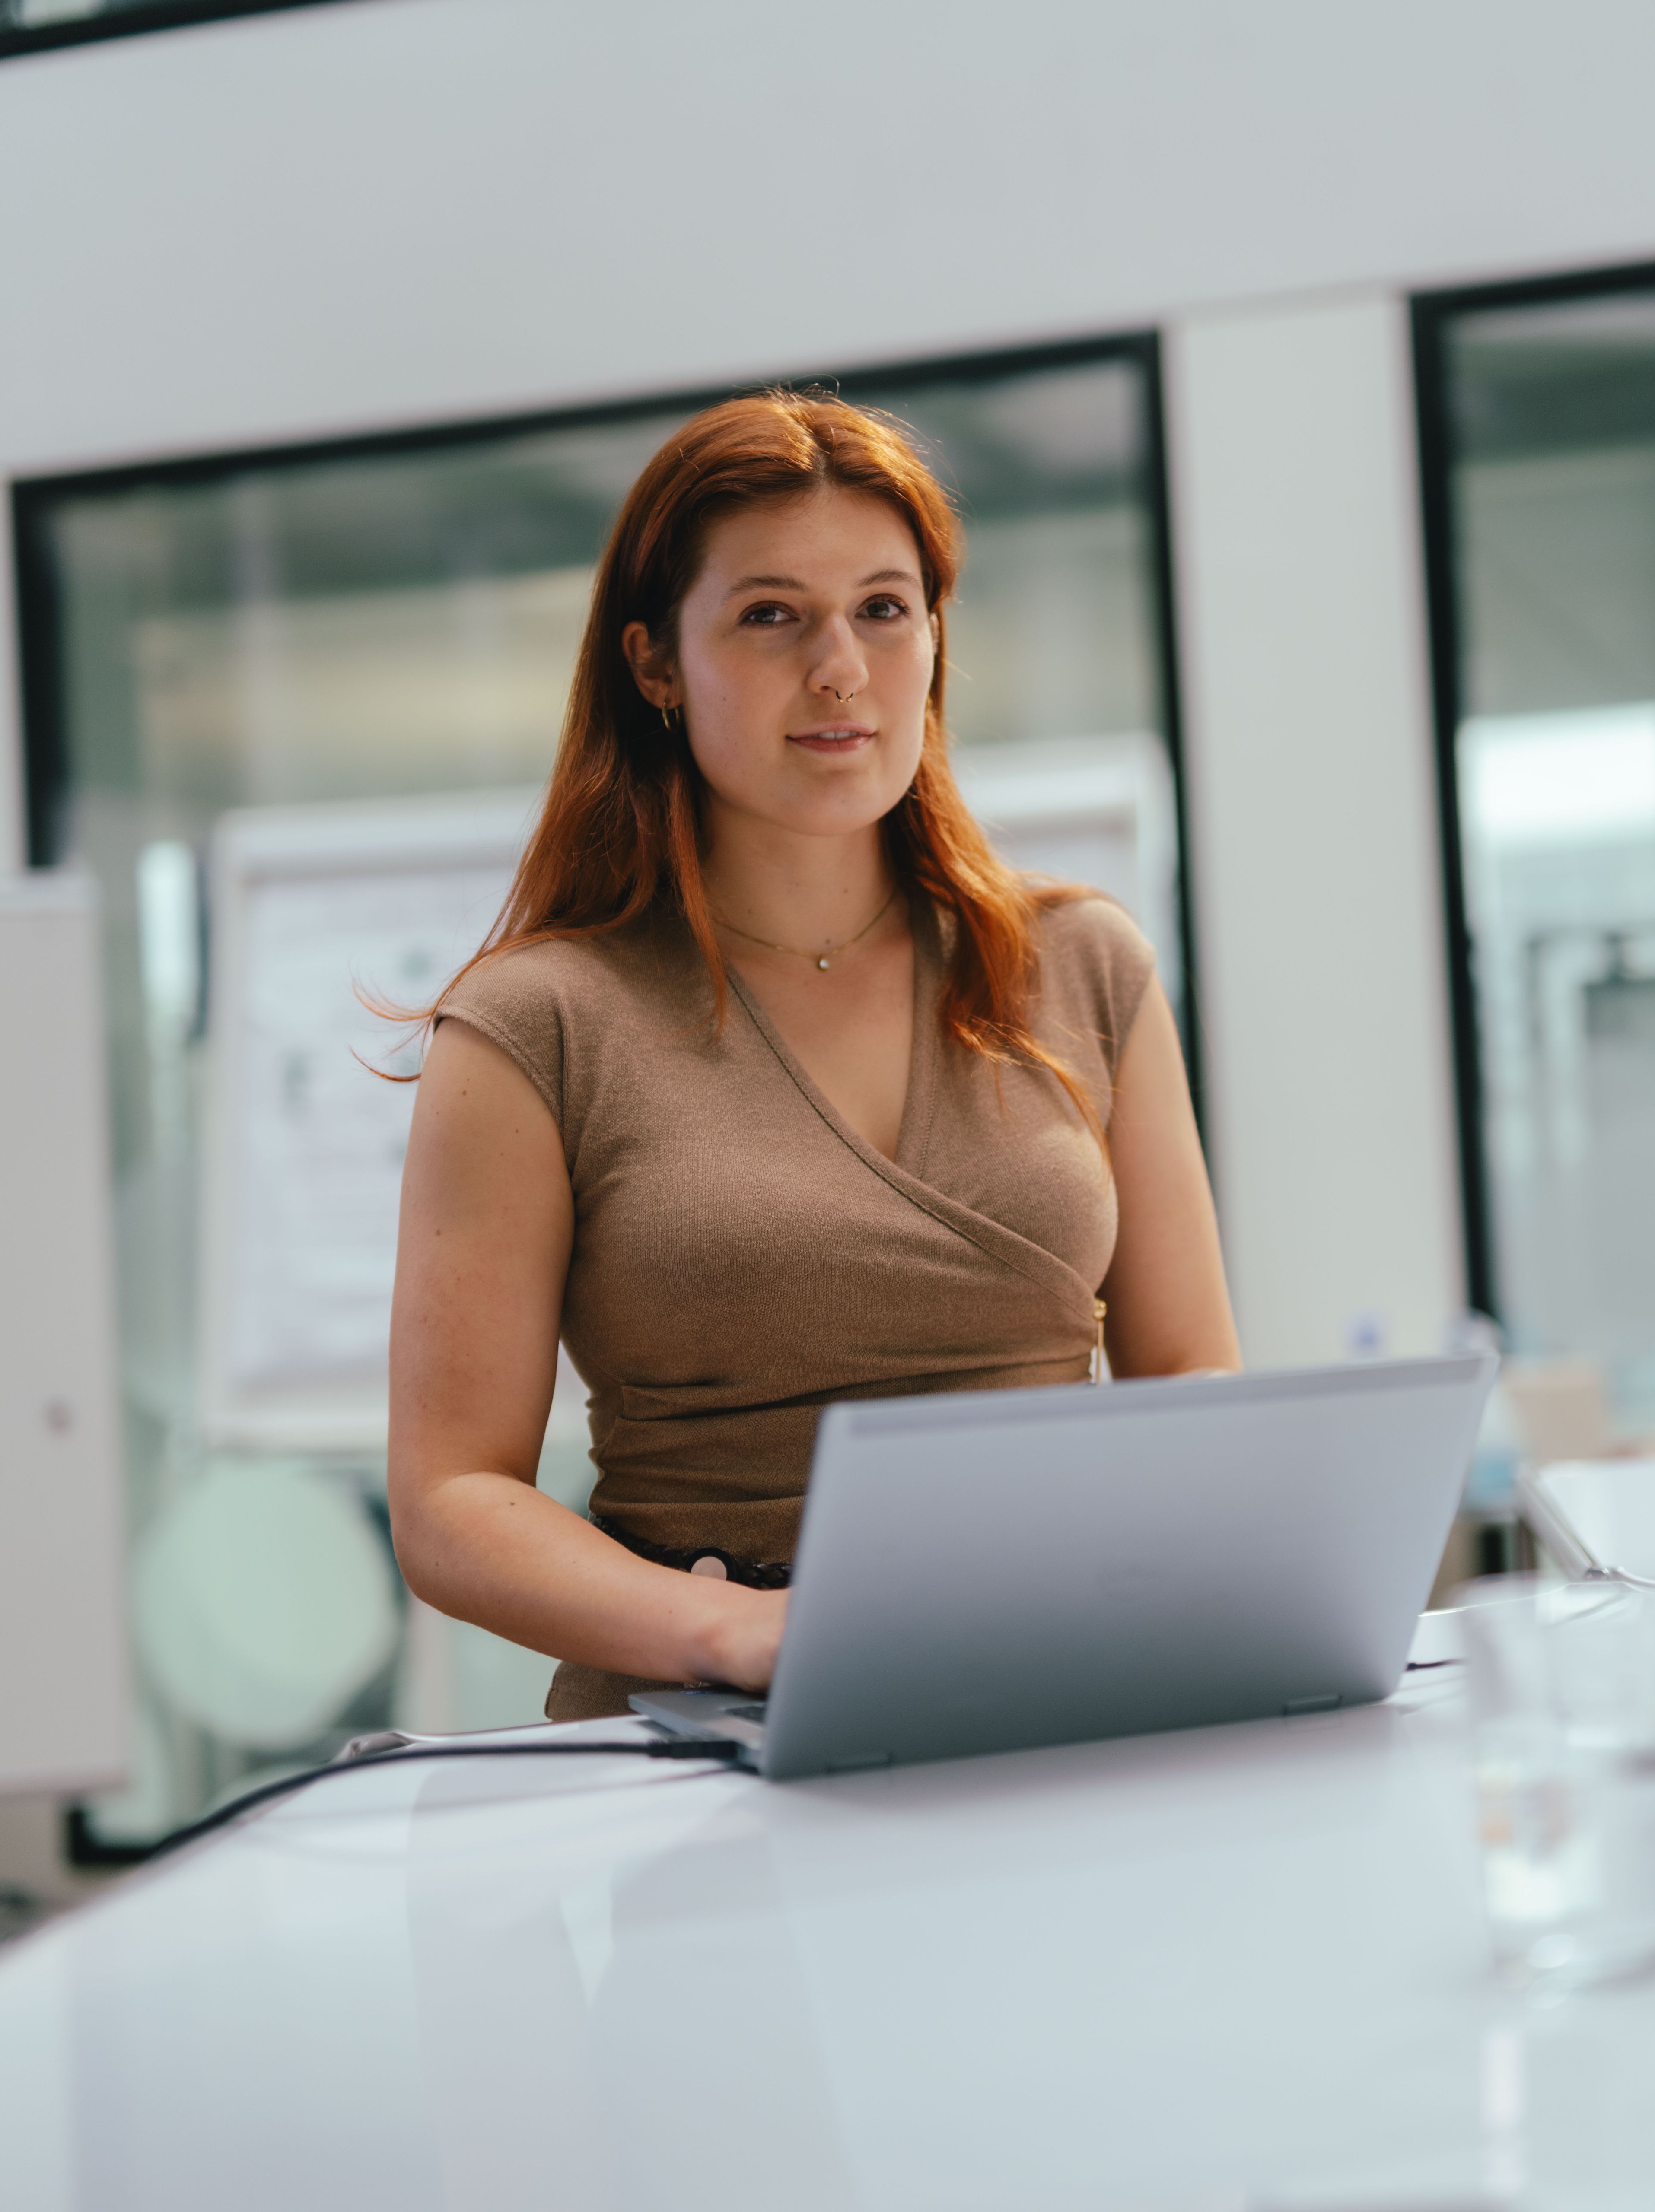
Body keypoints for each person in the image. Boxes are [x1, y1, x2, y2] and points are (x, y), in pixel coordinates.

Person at [386, 391, 1240, 1722]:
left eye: (884, 609)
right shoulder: (535, 1023)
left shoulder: (1082, 962)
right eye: (772, 616)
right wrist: (736, 1633)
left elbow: (1189, 1380)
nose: (841, 668)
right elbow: (451, 1498)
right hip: (705, 1727)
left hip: (1058, 1690)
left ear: (935, 638)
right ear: (656, 665)